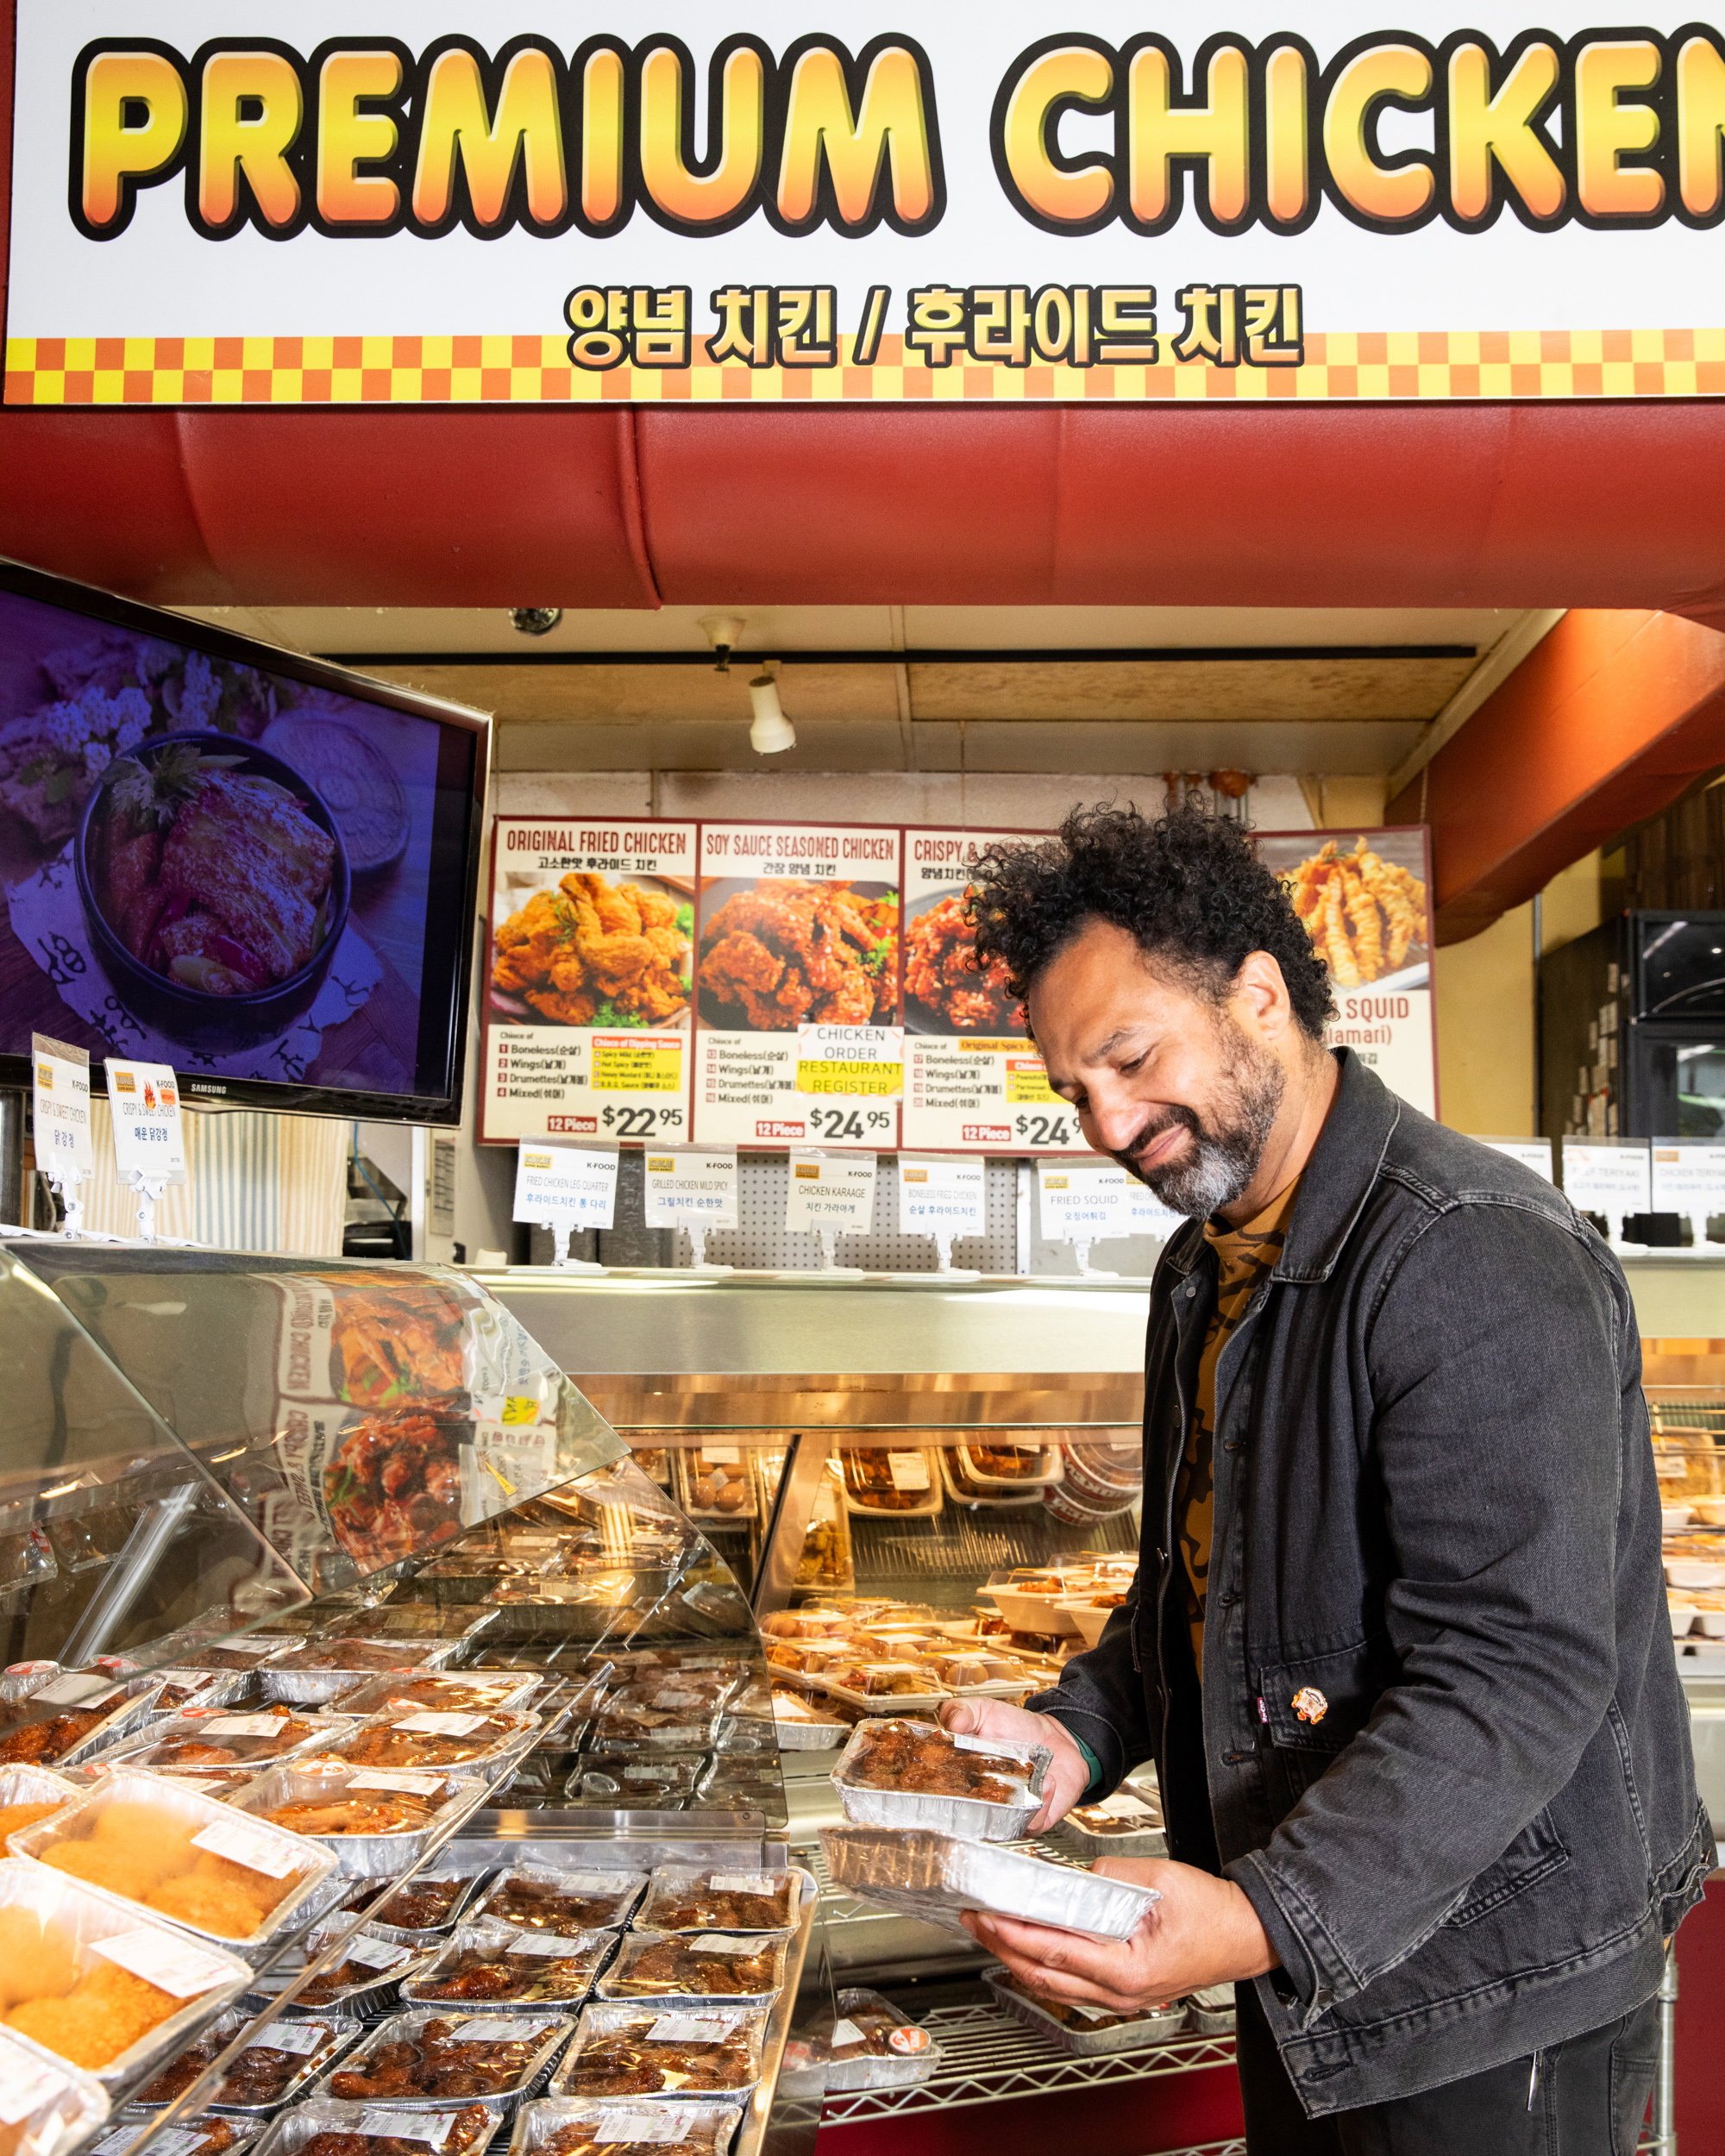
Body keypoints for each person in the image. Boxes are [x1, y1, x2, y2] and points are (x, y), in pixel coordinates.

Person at [942, 804, 1707, 2152]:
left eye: (1129, 1057)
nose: (1108, 1123)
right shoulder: (1208, 1262)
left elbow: (1517, 1674)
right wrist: (1076, 1731)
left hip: (1490, 1996)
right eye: (1075, 1091)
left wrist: (1254, 1916)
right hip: (1313, 1960)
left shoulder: (1469, 1252)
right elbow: (1195, 1584)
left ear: (1259, 994)